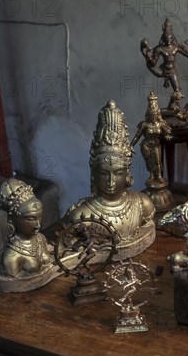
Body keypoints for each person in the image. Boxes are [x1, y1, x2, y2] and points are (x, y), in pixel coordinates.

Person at [62, 100, 156, 260]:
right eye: (104, 173)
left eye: (118, 173)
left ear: (127, 174)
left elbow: (148, 224)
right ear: (94, 174)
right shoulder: (81, 216)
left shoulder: (142, 204)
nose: (111, 181)